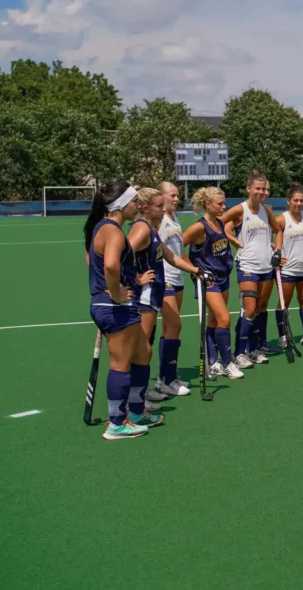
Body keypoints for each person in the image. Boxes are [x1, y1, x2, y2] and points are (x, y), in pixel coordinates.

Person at [84, 182, 161, 440]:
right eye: (133, 202)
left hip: (117, 304)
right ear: (121, 206)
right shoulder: (112, 230)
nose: (137, 206)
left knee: (144, 353)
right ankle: (116, 423)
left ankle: (137, 413)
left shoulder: (106, 227)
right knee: (120, 363)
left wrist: (132, 282)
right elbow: (111, 265)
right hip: (113, 305)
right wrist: (116, 292)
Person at [126, 188, 206, 401]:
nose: (164, 210)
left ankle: (142, 391)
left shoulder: (152, 229)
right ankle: (136, 397)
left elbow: (171, 257)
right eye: (159, 207)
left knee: (146, 345)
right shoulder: (142, 228)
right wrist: (137, 278)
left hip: (155, 292)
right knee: (141, 347)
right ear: (145, 208)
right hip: (144, 295)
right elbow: (121, 255)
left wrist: (196, 270)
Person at [182, 187, 243, 381]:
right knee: (225, 318)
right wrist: (194, 270)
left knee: (215, 321)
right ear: (208, 204)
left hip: (223, 276)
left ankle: (213, 362)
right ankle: (227, 363)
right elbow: (176, 246)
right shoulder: (199, 227)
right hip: (209, 280)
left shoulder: (220, 222)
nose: (224, 207)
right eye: (220, 204)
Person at [222, 171, 279, 367]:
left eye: (266, 189)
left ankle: (255, 349)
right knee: (250, 309)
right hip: (247, 265)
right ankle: (239, 352)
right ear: (249, 189)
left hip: (266, 265)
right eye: (259, 189)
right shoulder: (240, 209)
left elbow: (277, 230)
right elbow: (217, 223)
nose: (263, 192)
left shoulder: (266, 209)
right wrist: (233, 240)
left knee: (261, 308)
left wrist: (276, 248)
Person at [153, 181, 191, 396]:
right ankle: (168, 378)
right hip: (164, 278)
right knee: (174, 326)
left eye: (177, 196)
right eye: (173, 196)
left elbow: (178, 250)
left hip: (178, 278)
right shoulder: (158, 220)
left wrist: (194, 270)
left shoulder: (174, 218)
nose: (176, 199)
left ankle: (165, 377)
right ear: (161, 196)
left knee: (169, 329)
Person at [276, 183, 303, 347]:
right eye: (295, 200)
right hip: (288, 269)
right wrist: (276, 253)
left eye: (301, 200)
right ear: (289, 201)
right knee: (283, 303)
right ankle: (283, 336)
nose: (299, 204)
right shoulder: (281, 219)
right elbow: (268, 238)